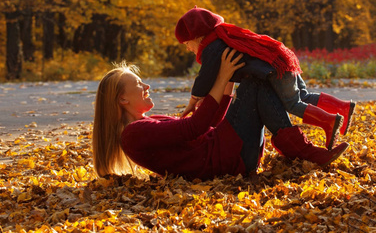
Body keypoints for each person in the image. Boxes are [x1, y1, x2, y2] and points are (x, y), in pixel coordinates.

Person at [92, 49, 349, 180]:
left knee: (254, 82)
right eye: (138, 85)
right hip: (227, 158)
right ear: (122, 99)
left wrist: (226, 83)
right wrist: (224, 75)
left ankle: (303, 149)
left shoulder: (144, 125)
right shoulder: (134, 135)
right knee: (255, 83)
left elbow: (208, 124)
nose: (146, 87)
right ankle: (304, 151)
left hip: (230, 153)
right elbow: (195, 129)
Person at [176, 7, 356, 151]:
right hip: (280, 59)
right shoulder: (224, 36)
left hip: (274, 68)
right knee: (302, 96)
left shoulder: (211, 48)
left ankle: (329, 121)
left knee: (292, 104)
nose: (187, 49)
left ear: (197, 37)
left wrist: (194, 99)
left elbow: (205, 78)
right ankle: (342, 107)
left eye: (187, 44)